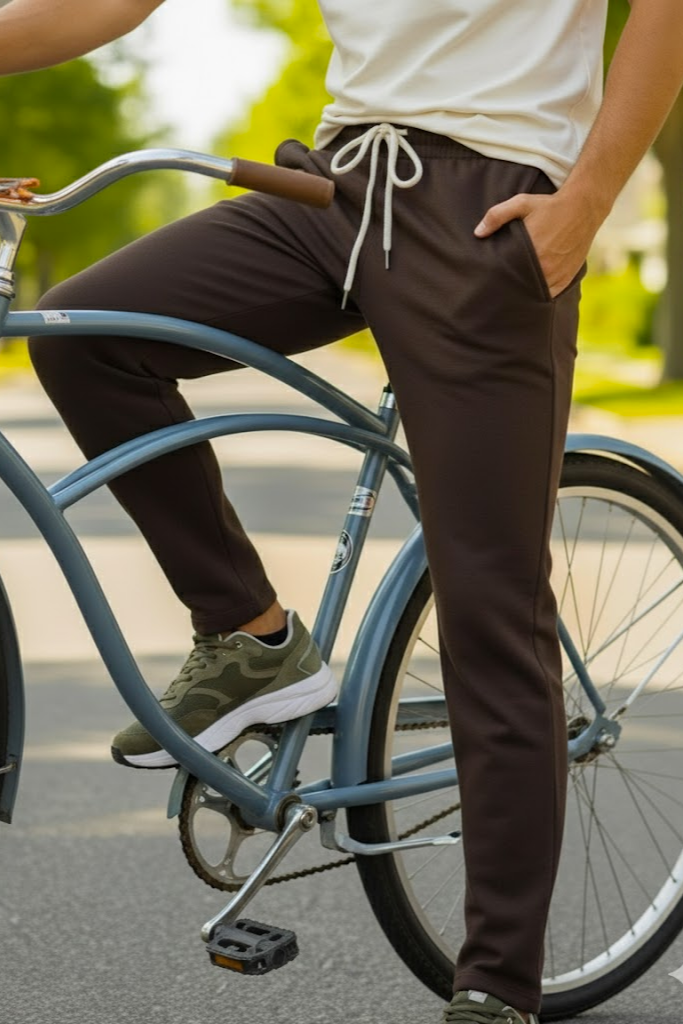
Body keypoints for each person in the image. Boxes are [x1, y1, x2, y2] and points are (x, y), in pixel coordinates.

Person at [2, 1, 682, 1021]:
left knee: (489, 602)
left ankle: (496, 980)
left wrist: (585, 201)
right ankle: (250, 636)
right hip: (331, 185)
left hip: (488, 204)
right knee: (82, 335)